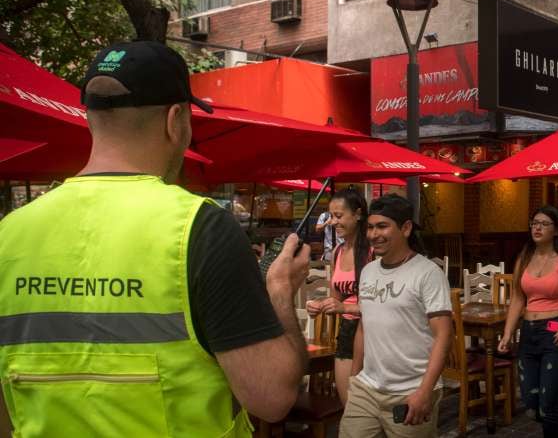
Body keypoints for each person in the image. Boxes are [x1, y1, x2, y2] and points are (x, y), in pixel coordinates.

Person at [0, 41, 310, 437]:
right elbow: (271, 397)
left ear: (91, 117)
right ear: (175, 119)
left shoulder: (11, 232)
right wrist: (281, 290)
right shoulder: (200, 228)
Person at [339, 194, 452, 438]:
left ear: (406, 228)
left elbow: (443, 335)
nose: (373, 234)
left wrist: (425, 391)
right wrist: (354, 377)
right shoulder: (368, 271)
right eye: (370, 227)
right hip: (366, 389)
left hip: (410, 391)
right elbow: (364, 327)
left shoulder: (428, 273)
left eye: (382, 226)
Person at [497, 206, 558, 438]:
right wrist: (508, 333)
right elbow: (518, 299)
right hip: (529, 334)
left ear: (556, 230)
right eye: (534, 223)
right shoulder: (524, 258)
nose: (537, 227)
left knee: (548, 409)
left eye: (544, 224)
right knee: (531, 408)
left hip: (556, 333)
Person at [306, 187, 373, 403]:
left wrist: (344, 308)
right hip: (346, 332)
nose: (333, 222)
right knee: (349, 405)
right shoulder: (337, 252)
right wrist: (319, 305)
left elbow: (383, 304)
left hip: (373, 336)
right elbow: (337, 299)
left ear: (358, 214)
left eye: (338, 216)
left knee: (368, 406)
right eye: (331, 216)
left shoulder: (373, 252)